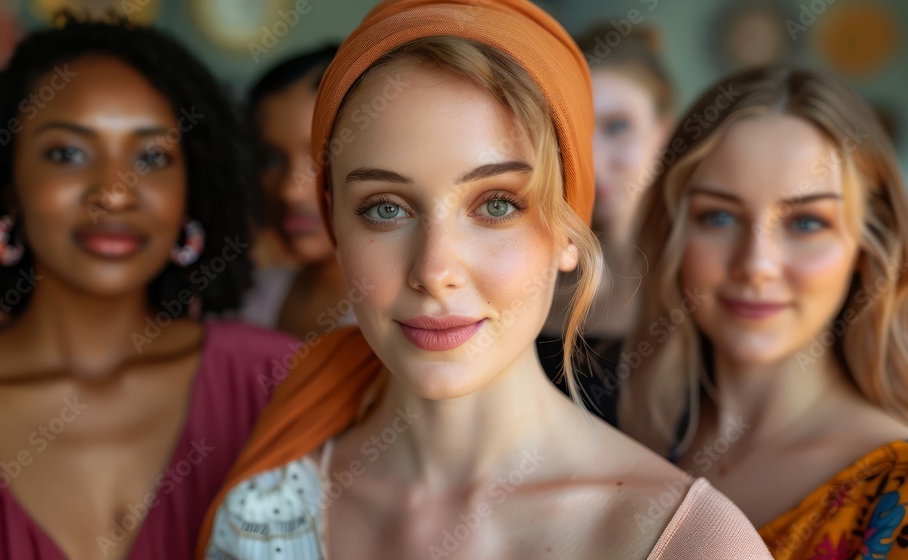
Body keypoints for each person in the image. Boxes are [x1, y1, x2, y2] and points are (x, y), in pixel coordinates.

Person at [197, 1, 773, 558]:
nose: (434, 271)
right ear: (337, 229)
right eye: (386, 208)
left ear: (569, 233)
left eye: (496, 204)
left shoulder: (689, 544)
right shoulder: (260, 512)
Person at [0, 16, 292, 559]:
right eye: (67, 153)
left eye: (152, 157)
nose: (115, 194)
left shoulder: (279, 383)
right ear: (9, 185)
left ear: (193, 187)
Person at [618, 66, 908, 558]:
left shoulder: (895, 489)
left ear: (866, 246)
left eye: (807, 222)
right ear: (671, 233)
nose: (755, 266)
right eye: (719, 216)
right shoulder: (613, 431)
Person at [538, 24, 675, 425]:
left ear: (664, 134)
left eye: (617, 127)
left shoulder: (697, 275)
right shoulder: (527, 270)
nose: (593, 157)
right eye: (577, 131)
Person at [241, 45, 356, 337]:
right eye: (271, 159)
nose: (290, 191)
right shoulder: (253, 296)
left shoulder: (408, 318)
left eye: (322, 156)